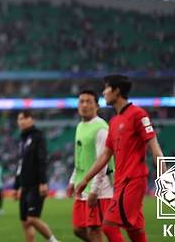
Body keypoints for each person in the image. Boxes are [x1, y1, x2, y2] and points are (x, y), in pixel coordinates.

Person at [76, 75, 164, 242]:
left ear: (116, 91)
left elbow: (154, 145)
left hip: (133, 181)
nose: (103, 92)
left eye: (106, 88)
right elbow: (105, 155)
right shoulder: (115, 121)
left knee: (108, 226)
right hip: (120, 182)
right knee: (135, 231)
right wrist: (86, 179)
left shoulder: (138, 114)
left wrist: (164, 174)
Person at [66, 90, 120, 242]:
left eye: (88, 101)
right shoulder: (80, 126)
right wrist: (72, 181)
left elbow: (102, 161)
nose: (84, 105)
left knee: (94, 230)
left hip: (99, 188)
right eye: (81, 101)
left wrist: (95, 190)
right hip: (82, 186)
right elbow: (80, 157)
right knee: (78, 229)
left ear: (97, 106)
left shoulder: (101, 128)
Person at [14, 110, 60, 242]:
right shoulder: (22, 139)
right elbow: (20, 164)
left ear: (31, 119)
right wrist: (17, 186)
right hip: (25, 185)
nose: (21, 121)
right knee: (25, 222)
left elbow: (42, 159)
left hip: (36, 184)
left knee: (32, 218)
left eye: (24, 118)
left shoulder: (38, 136)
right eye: (19, 119)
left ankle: (53, 241)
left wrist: (43, 182)